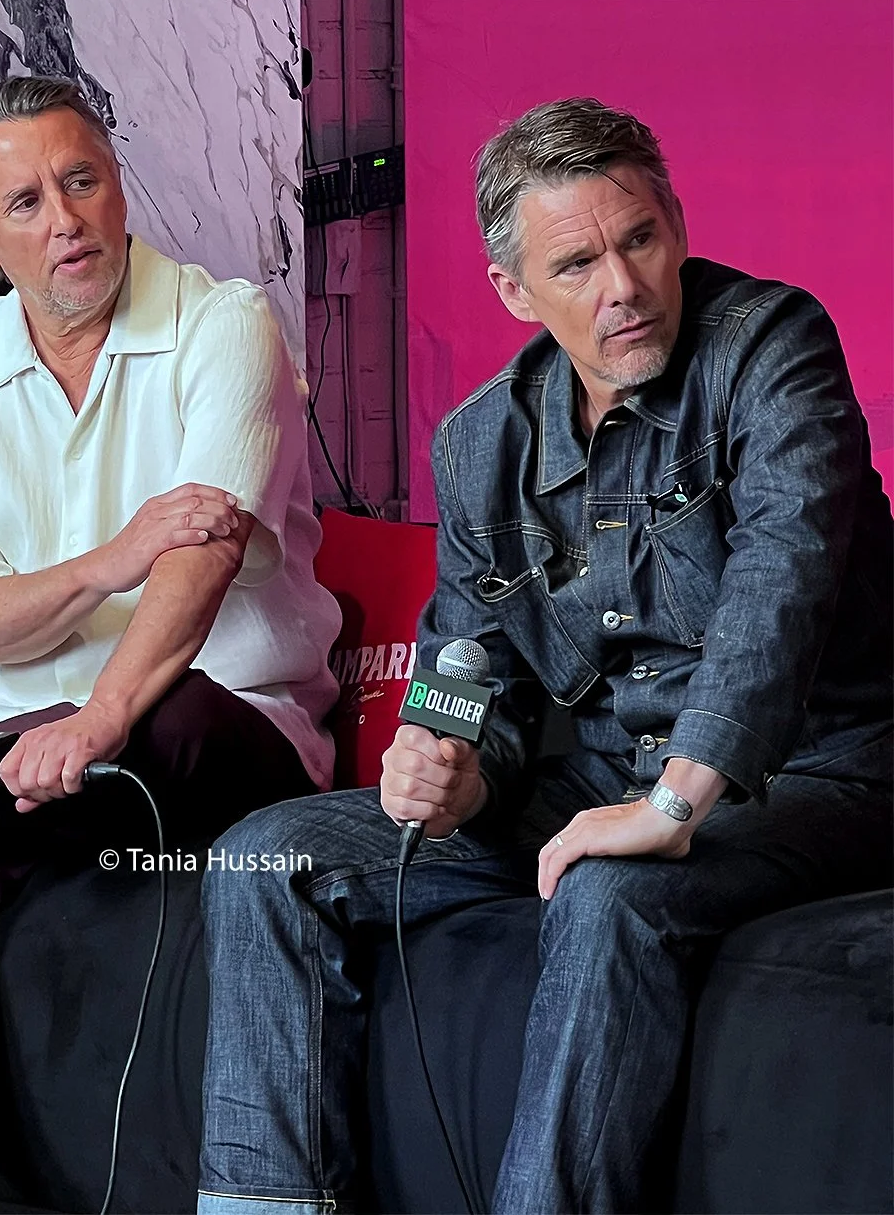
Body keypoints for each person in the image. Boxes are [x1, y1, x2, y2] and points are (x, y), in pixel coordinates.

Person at [197, 97, 893, 1214]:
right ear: (513, 291)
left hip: (819, 768)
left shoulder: (771, 344)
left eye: (640, 239)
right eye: (576, 263)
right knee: (262, 857)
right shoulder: (480, 440)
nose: (621, 284)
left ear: (675, 221)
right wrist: (447, 756)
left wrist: (673, 799)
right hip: (608, 773)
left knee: (610, 890)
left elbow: (785, 571)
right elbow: (462, 661)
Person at [0, 76, 341, 1214]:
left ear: (119, 187)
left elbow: (197, 565)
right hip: (25, 762)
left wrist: (99, 712)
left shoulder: (222, 323)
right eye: (27, 201)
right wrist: (107, 557)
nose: (66, 219)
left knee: (168, 706)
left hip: (219, 735)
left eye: (82, 180)